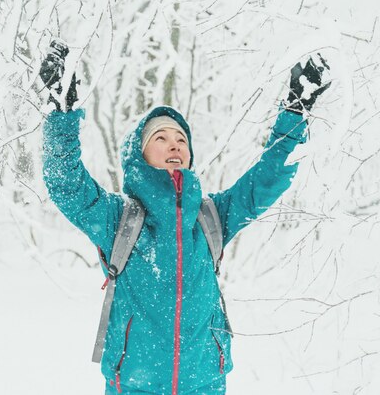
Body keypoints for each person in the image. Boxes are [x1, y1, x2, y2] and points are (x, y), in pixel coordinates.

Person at [40, 39, 330, 394]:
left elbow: (267, 178)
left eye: (181, 138)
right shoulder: (121, 220)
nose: (174, 143)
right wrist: (61, 114)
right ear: (140, 155)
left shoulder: (210, 218)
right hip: (134, 386)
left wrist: (296, 111)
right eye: (160, 137)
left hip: (204, 384)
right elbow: (66, 183)